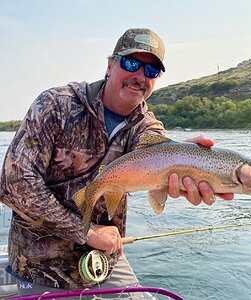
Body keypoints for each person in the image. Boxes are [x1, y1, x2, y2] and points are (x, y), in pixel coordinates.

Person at [0, 28, 233, 296]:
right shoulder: (56, 105)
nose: (140, 76)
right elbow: (13, 184)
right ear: (110, 65)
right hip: (40, 265)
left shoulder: (147, 127)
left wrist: (189, 162)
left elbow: (160, 152)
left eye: (151, 71)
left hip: (106, 261)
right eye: (131, 63)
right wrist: (86, 233)